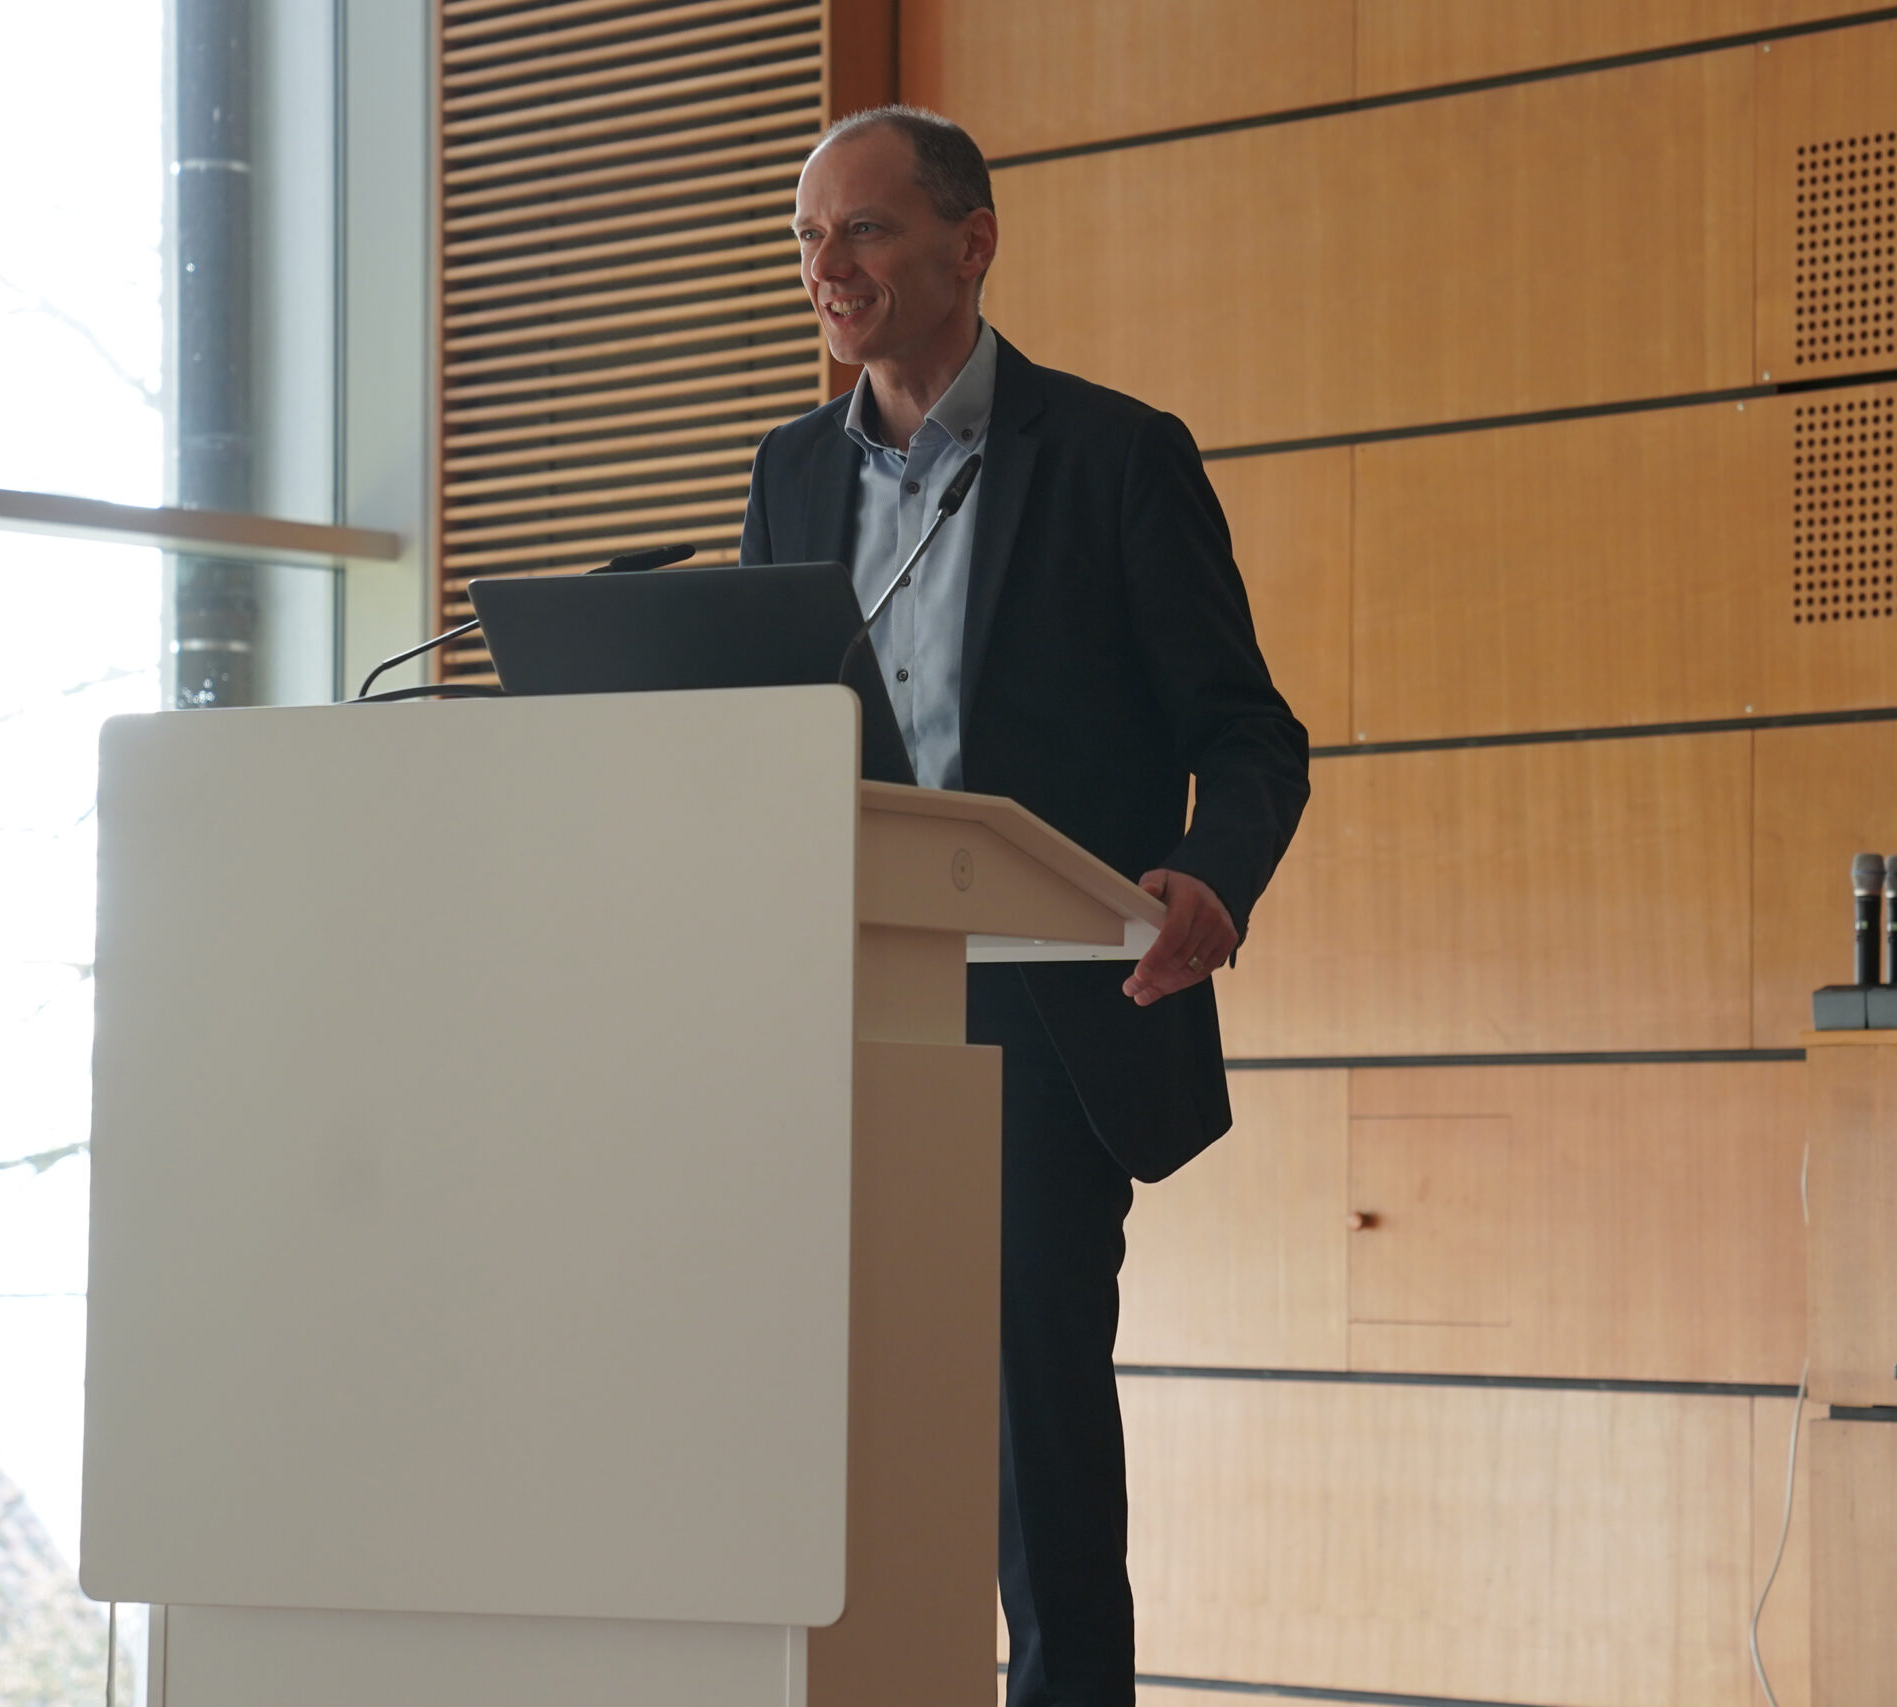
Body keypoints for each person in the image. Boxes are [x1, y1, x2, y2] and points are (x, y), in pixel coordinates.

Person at [738, 105, 1309, 1707]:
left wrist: (1213, 878)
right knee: (833, 1418)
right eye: (806, 238)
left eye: (860, 230)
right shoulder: (788, 473)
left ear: (971, 243)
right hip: (845, 1011)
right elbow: (767, 743)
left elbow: (1248, 736)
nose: (826, 267)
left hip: (1042, 1012)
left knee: (1027, 1426)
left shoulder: (1118, 456)